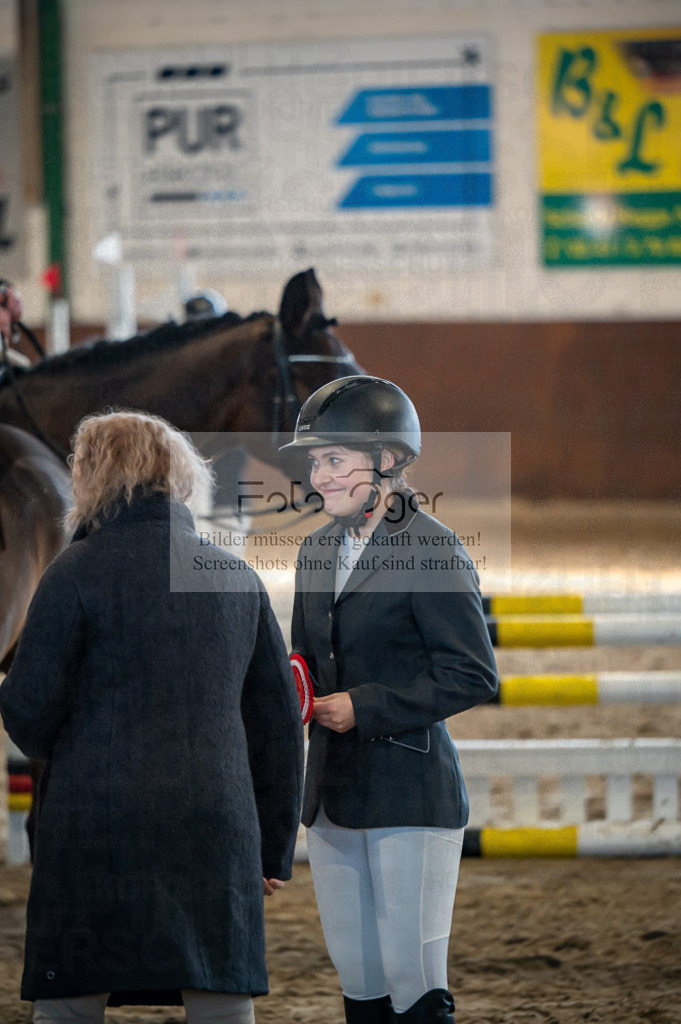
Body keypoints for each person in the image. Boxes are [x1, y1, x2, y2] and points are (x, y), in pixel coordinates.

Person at [0, 410, 303, 1023]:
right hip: (215, 824)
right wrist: (270, 850)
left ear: (89, 477)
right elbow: (276, 727)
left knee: (70, 1001)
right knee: (221, 995)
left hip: (94, 826)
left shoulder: (70, 574)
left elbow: (29, 720)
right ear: (179, 477)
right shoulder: (237, 577)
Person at [280, 376, 499, 1024]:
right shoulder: (315, 550)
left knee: (414, 989)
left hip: (408, 792)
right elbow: (302, 667)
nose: (318, 476)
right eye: (315, 461)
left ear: (387, 461)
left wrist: (364, 706)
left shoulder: (431, 548)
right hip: (331, 795)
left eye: (333, 460)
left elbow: (471, 673)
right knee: (361, 988)